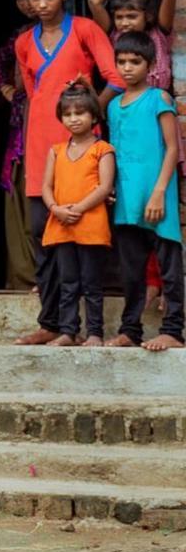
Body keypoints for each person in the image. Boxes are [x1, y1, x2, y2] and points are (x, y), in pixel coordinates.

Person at [13, 0, 123, 345]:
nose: (41, 4)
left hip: (81, 151)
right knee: (43, 237)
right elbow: (34, 94)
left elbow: (116, 78)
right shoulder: (24, 42)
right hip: (41, 148)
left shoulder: (86, 30)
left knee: (83, 239)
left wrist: (91, 109)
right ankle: (52, 322)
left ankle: (86, 327)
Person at [105, 31, 185, 352]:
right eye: (121, 61)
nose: (127, 68)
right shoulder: (112, 106)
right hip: (126, 198)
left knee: (168, 265)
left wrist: (159, 191)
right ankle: (130, 330)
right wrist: (108, 186)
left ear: (150, 65)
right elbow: (114, 150)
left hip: (156, 196)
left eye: (134, 61)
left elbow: (171, 148)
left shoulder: (158, 99)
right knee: (131, 271)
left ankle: (173, 331)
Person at [40, 81, 115, 347]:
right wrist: (55, 209)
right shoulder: (56, 151)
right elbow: (46, 187)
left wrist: (78, 209)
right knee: (68, 282)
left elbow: (104, 187)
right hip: (61, 224)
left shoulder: (102, 150)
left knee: (92, 283)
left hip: (90, 225)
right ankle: (68, 331)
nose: (74, 119)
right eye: (68, 114)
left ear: (93, 116)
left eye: (80, 113)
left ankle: (95, 333)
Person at [0, 0, 36, 289]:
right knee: (19, 204)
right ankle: (25, 278)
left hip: (57, 132)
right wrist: (4, 87)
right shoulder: (20, 36)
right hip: (21, 130)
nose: (30, 4)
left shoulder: (70, 32)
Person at [87, 0, 177, 90]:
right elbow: (94, 1)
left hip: (157, 101)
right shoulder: (114, 34)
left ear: (148, 16)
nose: (124, 23)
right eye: (119, 17)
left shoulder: (159, 33)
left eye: (132, 17)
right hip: (123, 102)